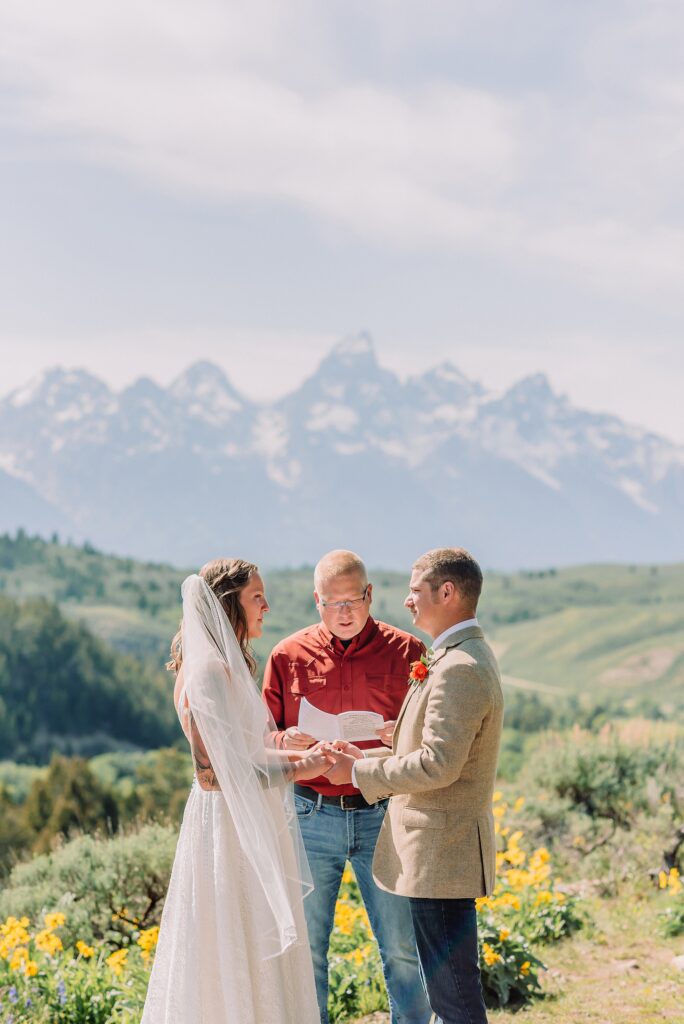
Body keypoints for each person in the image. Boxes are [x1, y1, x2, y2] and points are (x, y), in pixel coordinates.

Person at [142, 558, 332, 1024]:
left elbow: (242, 753)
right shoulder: (207, 673)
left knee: (257, 944)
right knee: (232, 942)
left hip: (248, 818)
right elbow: (214, 776)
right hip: (226, 829)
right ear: (230, 604)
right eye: (256, 596)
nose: (266, 605)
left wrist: (294, 751)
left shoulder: (225, 666)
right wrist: (303, 767)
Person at [326, 548, 504, 1024]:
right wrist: (366, 758)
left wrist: (361, 775)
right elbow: (429, 752)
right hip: (440, 851)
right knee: (450, 992)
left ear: (447, 592)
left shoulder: (459, 668)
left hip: (441, 851)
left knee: (454, 998)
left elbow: (439, 765)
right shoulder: (453, 657)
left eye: (415, 590)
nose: (406, 601)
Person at [262, 549, 431, 1024]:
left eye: (353, 600)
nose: (344, 612)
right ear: (316, 600)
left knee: (401, 949)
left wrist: (400, 733)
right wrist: (284, 738)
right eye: (332, 603)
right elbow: (261, 733)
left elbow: (430, 737)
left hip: (384, 812)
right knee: (309, 950)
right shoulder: (287, 655)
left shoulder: (409, 653)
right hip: (311, 815)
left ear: (370, 595)